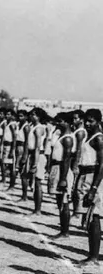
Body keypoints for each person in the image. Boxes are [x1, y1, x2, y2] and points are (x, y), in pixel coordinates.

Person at [75, 109, 103, 268]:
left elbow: (102, 165)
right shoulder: (90, 136)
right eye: (86, 120)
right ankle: (91, 254)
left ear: (98, 121)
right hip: (87, 175)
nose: (87, 123)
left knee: (94, 217)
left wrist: (93, 188)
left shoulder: (98, 139)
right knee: (89, 217)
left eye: (91, 121)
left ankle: (93, 256)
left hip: (94, 178)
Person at [46, 112, 74, 240]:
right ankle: (63, 229)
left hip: (63, 170)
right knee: (59, 201)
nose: (58, 124)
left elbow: (67, 159)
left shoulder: (68, 138)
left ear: (67, 122)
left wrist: (63, 179)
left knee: (64, 201)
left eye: (60, 121)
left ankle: (65, 231)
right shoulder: (61, 135)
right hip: (56, 167)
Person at [26, 107, 48, 216]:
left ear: (38, 117)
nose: (31, 116)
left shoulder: (39, 128)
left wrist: (35, 163)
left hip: (38, 156)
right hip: (32, 155)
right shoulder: (33, 127)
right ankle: (35, 208)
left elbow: (38, 147)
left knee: (38, 183)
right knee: (33, 183)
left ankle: (38, 210)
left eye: (33, 115)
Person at [71, 109, 88, 217]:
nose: (73, 120)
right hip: (75, 159)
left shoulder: (81, 132)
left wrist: (75, 165)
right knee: (74, 188)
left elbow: (79, 149)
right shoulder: (77, 130)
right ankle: (76, 210)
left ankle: (78, 212)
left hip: (78, 161)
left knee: (77, 188)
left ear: (81, 119)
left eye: (75, 118)